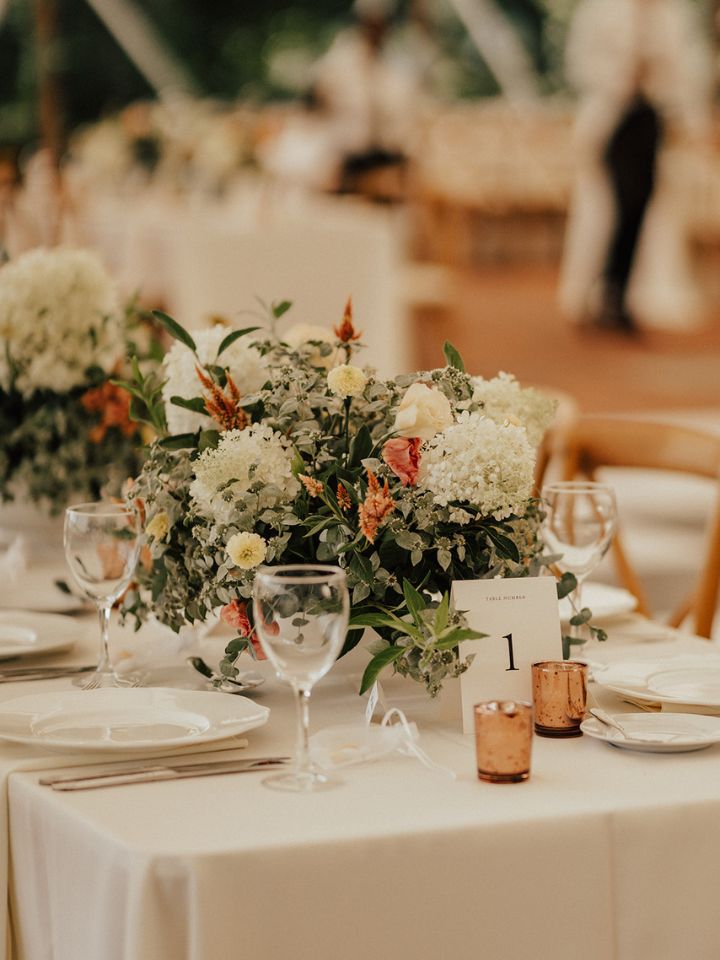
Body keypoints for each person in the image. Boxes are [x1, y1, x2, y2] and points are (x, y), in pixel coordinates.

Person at [559, 0, 712, 333]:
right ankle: (595, 290)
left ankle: (620, 294)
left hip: (650, 118)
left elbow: (688, 70)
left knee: (641, 205)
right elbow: (579, 62)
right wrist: (619, 78)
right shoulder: (600, 10)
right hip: (610, 120)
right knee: (611, 206)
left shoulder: (672, 15)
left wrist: (692, 118)